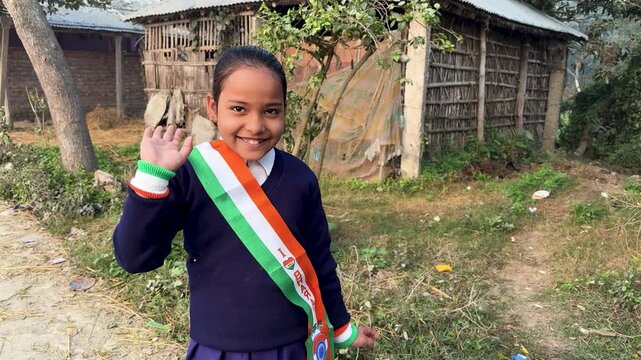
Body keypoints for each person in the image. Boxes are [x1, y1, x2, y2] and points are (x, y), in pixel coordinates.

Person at [113, 45, 379, 360]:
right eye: (238, 109)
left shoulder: (300, 179)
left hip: (294, 346)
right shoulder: (190, 174)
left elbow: (320, 262)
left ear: (284, 110)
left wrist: (340, 328)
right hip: (217, 348)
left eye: (271, 110)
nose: (255, 126)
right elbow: (135, 259)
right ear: (213, 107)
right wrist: (151, 179)